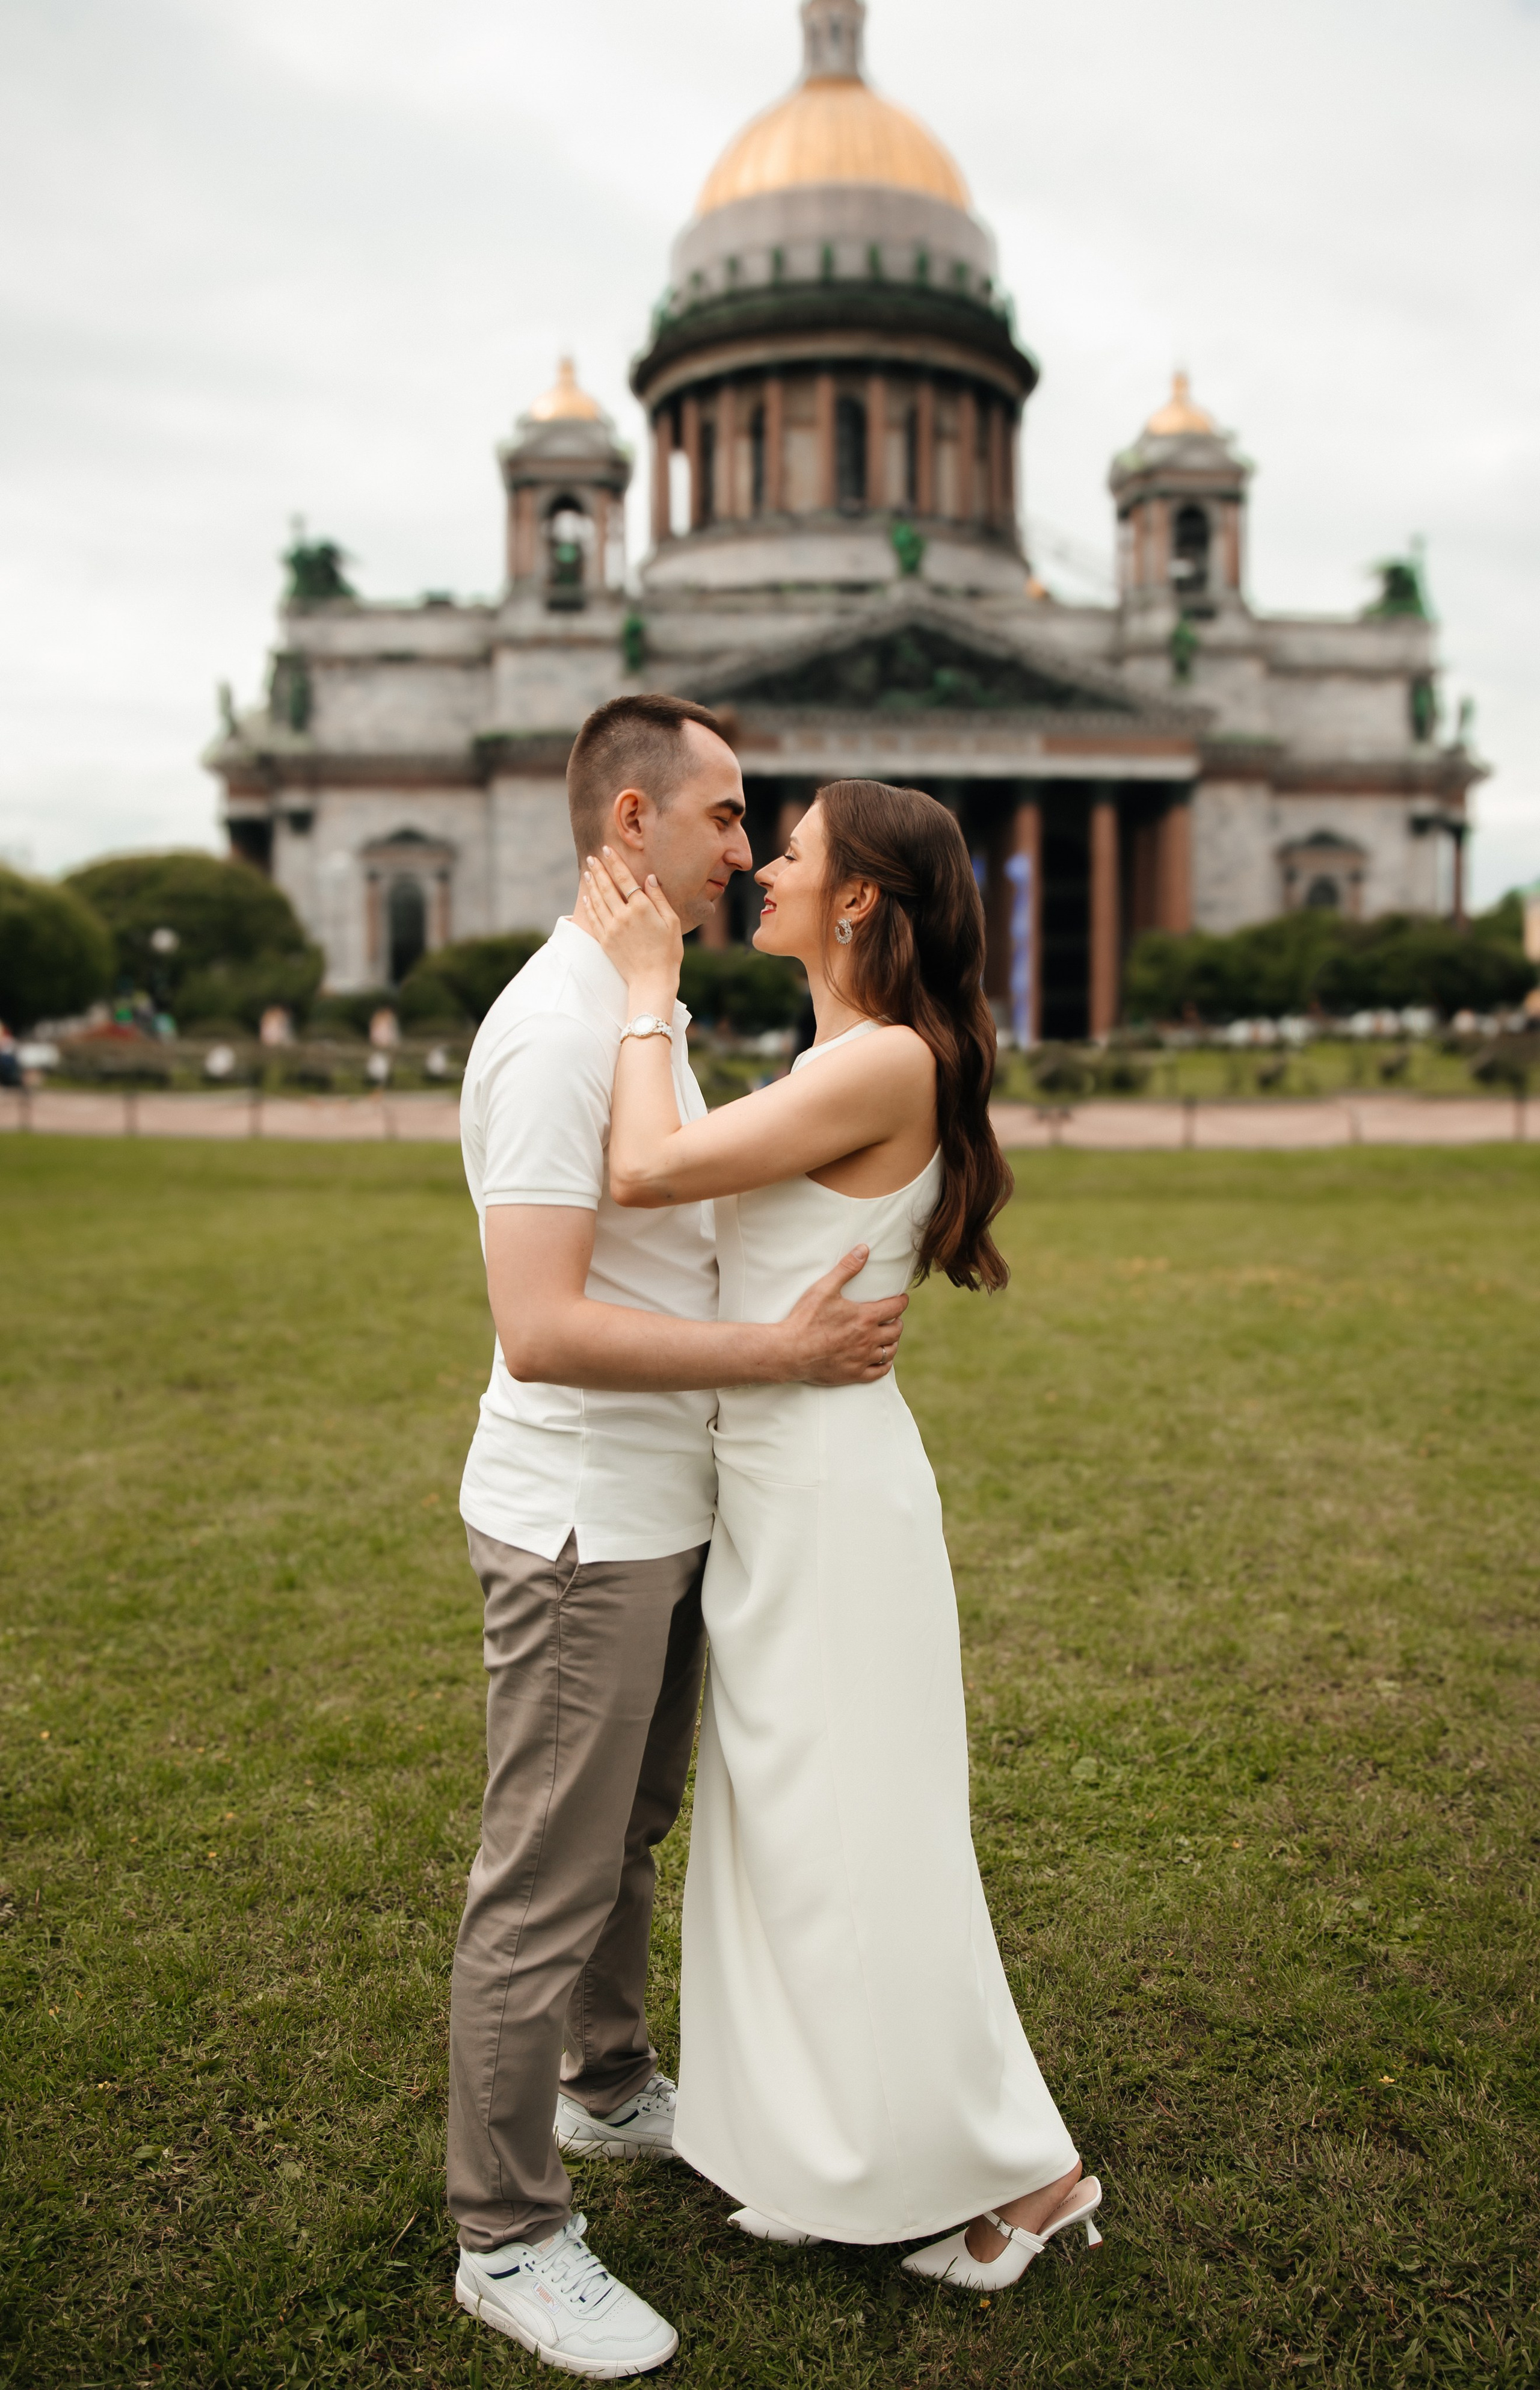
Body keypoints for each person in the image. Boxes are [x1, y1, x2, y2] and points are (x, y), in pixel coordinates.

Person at [578, 778, 1104, 2291]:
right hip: (779, 1477)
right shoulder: (840, 1055)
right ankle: (836, 2150)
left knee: (867, 1841)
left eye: (791, 851)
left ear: (859, 897)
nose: (761, 868)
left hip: (826, 1495)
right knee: (792, 1839)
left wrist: (643, 988)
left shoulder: (879, 1062)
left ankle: (1032, 2170)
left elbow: (644, 1172)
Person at [449, 697, 910, 2380]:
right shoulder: (564, 1030)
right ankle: (505, 2232)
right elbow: (544, 1326)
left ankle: (610, 2082)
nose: (746, 846)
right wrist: (779, 1356)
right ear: (632, 819)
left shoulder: (635, 1009)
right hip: (584, 1515)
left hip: (663, 1506)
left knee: (627, 1822)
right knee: (545, 1875)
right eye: (725, 818)